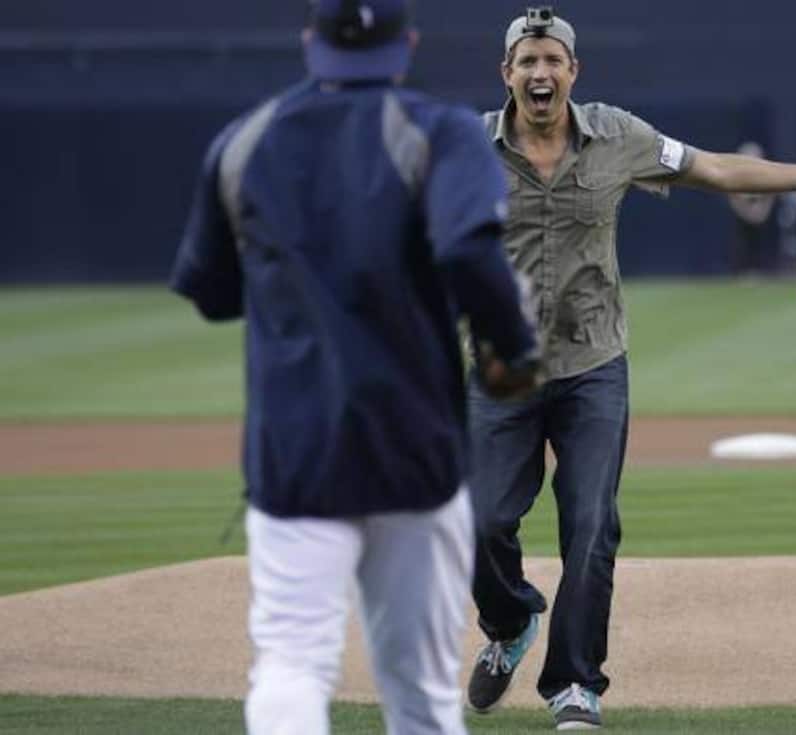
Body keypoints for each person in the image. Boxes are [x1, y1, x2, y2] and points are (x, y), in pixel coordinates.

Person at [464, 8, 796, 730]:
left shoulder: (618, 136)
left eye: (552, 60)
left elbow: (714, 168)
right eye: (528, 62)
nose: (541, 73)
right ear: (506, 73)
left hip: (592, 366)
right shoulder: (465, 149)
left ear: (574, 71)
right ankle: (511, 621)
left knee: (591, 525)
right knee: (480, 522)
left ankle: (574, 683)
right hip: (503, 368)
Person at [169, 2, 541, 733]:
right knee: (420, 689)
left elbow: (210, 294)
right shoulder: (442, 132)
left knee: (290, 662)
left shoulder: (243, 142)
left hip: (295, 450)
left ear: (310, 41)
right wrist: (514, 344)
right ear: (407, 43)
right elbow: (469, 252)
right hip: (415, 446)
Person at [726, 141, 780, 276]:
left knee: (761, 242)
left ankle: (762, 268)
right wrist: (746, 212)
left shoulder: (766, 175)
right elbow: (734, 197)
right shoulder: (736, 175)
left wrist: (762, 211)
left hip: (761, 215)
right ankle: (742, 270)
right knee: (742, 242)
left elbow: (770, 194)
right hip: (743, 215)